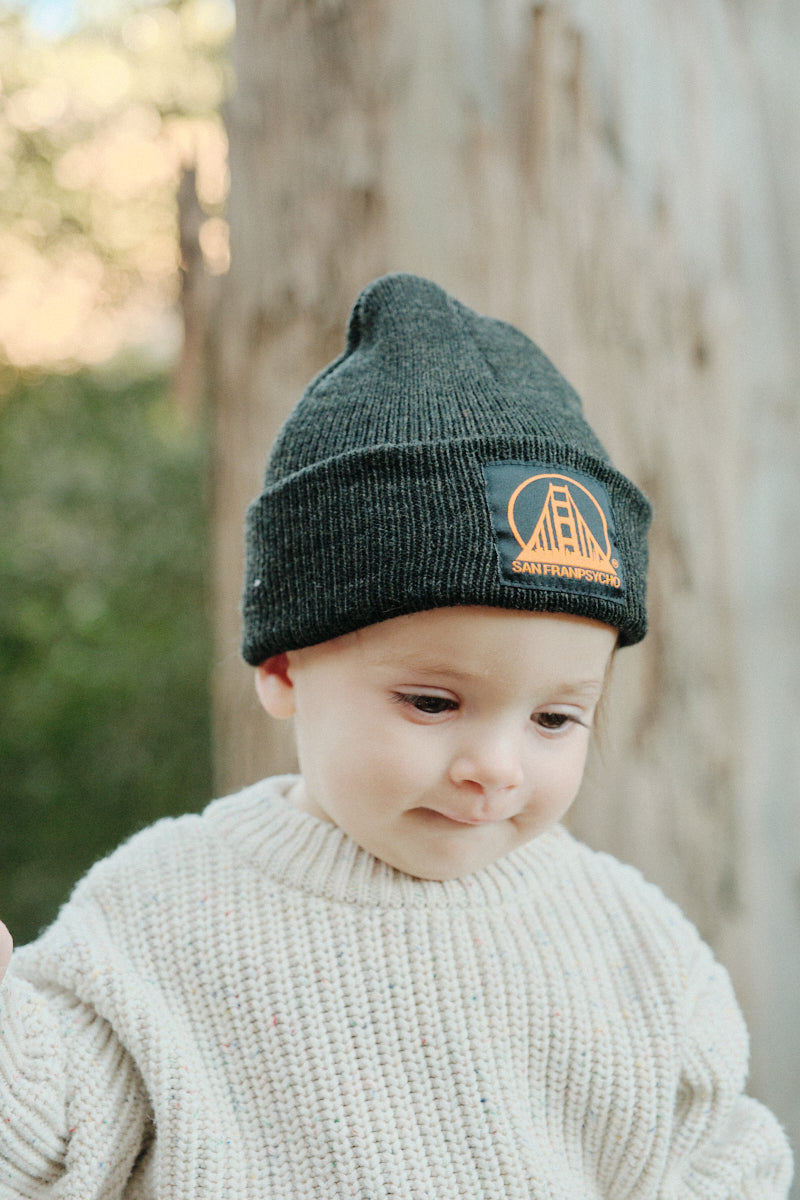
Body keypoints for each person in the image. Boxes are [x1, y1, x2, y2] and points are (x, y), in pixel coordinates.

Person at [0, 273, 792, 1198]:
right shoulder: (158, 918)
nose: (496, 769)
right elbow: (49, 1152)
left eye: (554, 718)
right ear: (287, 668)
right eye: (432, 702)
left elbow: (722, 1162)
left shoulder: (633, 944)